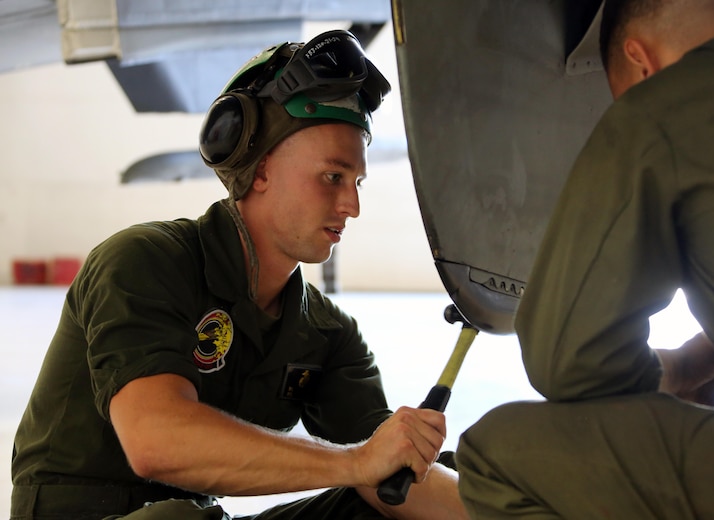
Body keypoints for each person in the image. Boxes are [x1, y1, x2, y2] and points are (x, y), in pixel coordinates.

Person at [11, 30, 466, 520]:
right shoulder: (142, 262)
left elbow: (388, 473)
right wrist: (357, 462)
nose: (352, 205)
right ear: (261, 169)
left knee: (419, 496)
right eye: (332, 177)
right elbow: (156, 440)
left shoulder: (324, 333)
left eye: (356, 182)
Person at [456, 0, 714, 518]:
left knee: (496, 453)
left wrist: (677, 369)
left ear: (640, 61)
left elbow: (569, 363)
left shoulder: (665, 105)